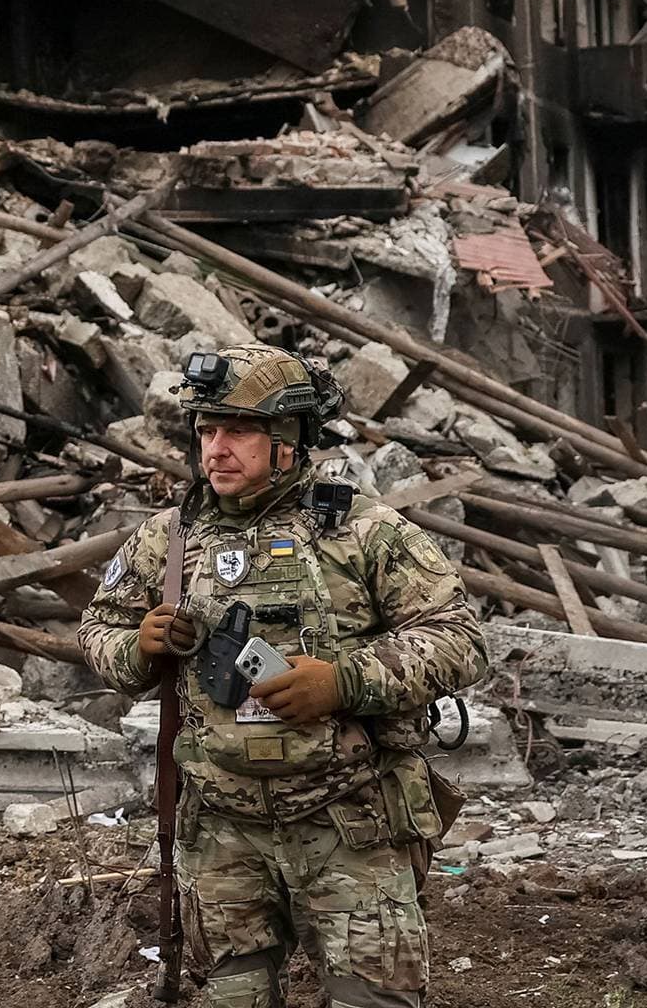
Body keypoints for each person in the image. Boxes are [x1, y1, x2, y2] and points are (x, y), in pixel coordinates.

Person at [78, 343, 489, 1008]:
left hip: (348, 823)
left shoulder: (363, 530)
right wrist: (138, 649)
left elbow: (460, 640)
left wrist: (344, 681)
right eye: (206, 430)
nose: (215, 449)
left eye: (238, 431)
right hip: (221, 830)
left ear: (290, 440)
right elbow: (96, 629)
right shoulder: (171, 539)